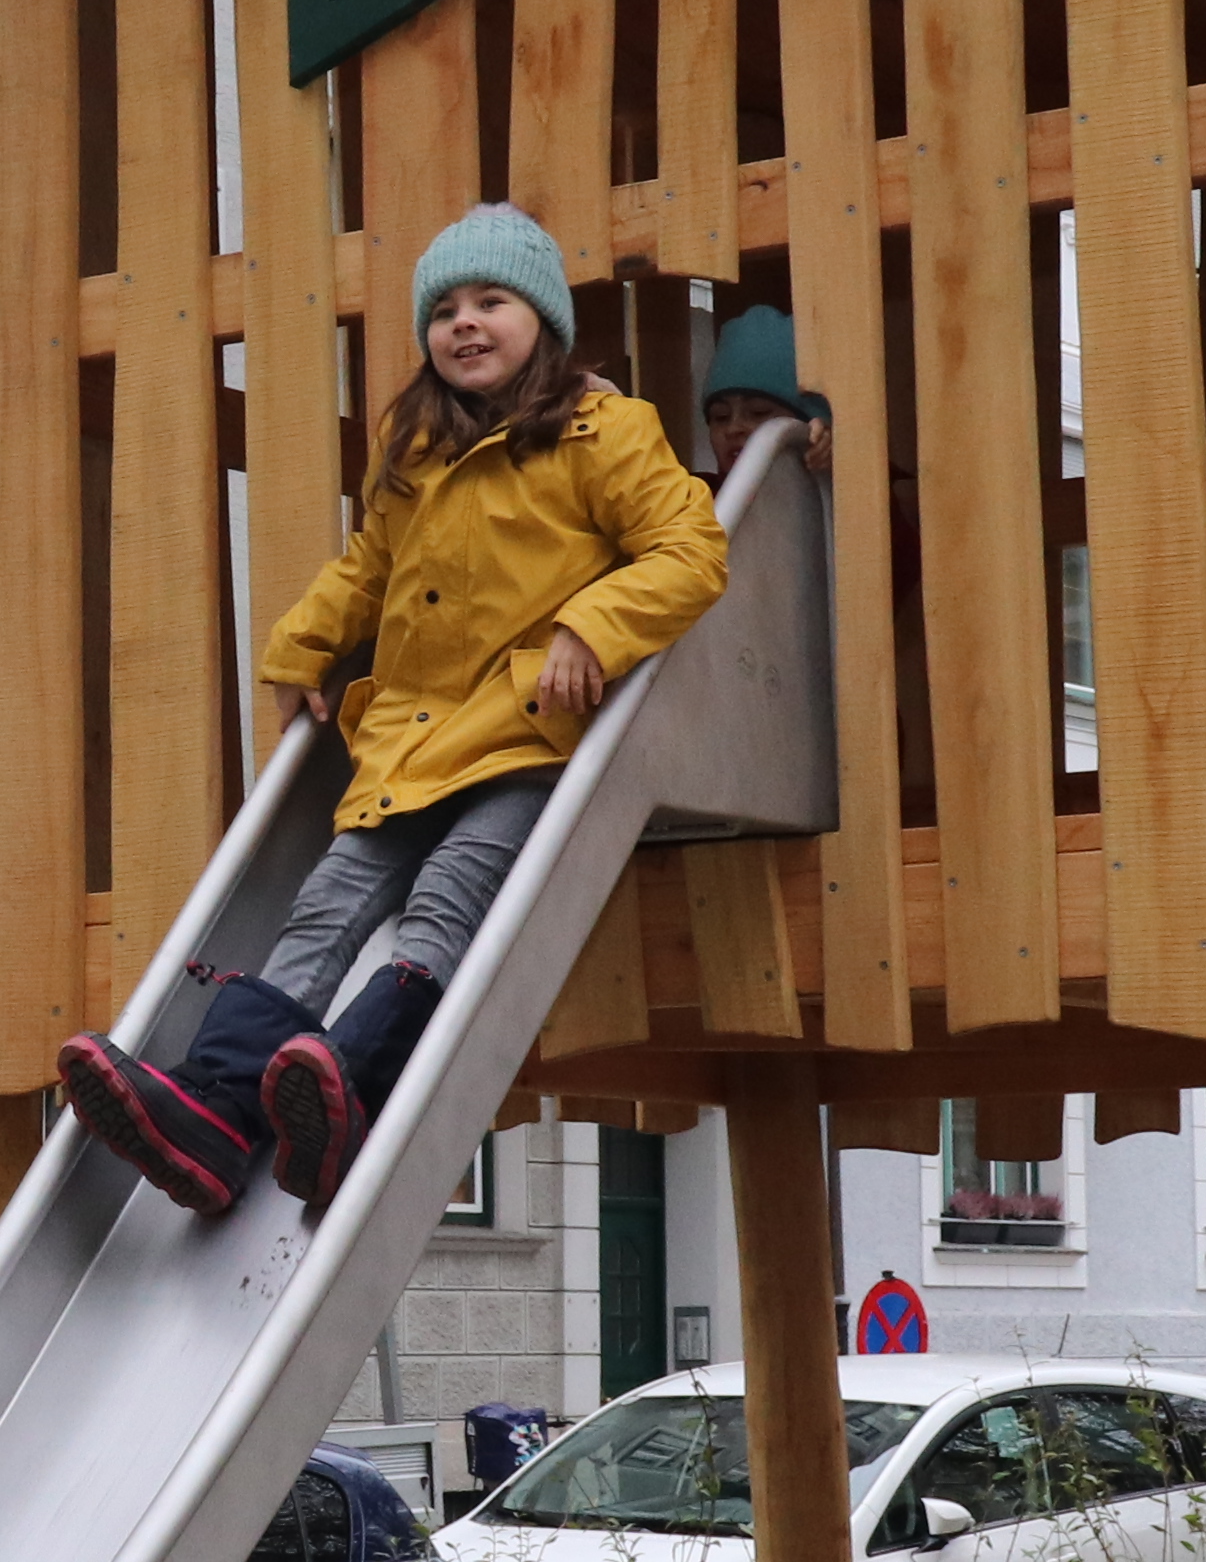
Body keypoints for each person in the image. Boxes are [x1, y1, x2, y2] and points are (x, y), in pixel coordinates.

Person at [60, 205, 726, 1216]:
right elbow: (369, 566)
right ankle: (215, 1116)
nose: (466, 324)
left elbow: (690, 550)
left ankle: (345, 1088)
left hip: (523, 738)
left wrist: (590, 628)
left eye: (491, 302)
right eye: (445, 309)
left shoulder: (603, 433)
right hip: (408, 741)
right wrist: (302, 645)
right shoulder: (418, 444)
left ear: (541, 319)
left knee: (445, 903)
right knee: (323, 910)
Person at [697, 301, 833, 483]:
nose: (733, 429)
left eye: (758, 412)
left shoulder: (849, 496)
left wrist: (838, 459)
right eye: (721, 417)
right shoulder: (691, 501)